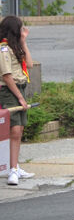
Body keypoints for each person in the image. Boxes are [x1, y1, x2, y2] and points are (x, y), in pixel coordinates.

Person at [0, 15, 34, 185]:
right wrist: (20, 98)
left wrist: (24, 42)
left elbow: (30, 64)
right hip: (9, 90)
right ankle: (12, 169)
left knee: (19, 130)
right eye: (20, 29)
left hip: (20, 87)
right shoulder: (4, 49)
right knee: (14, 129)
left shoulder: (15, 47)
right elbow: (6, 76)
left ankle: (15, 166)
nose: (22, 31)